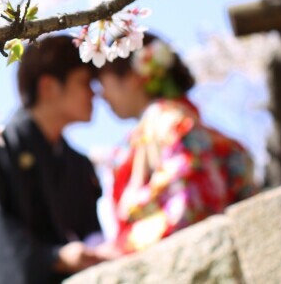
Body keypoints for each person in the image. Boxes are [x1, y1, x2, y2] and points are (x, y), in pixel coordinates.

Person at [0, 35, 105, 284]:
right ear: (48, 87)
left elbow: (92, 236)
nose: (94, 93)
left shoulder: (78, 165)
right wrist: (53, 258)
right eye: (85, 82)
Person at [96, 33, 257, 257]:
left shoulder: (168, 123)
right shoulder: (185, 124)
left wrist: (123, 247)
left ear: (133, 77)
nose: (101, 95)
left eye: (102, 82)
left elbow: (187, 202)